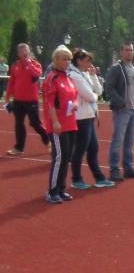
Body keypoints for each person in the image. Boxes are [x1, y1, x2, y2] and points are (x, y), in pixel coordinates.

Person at [68, 48, 114, 189]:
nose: (90, 64)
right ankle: (76, 179)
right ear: (79, 61)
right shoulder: (74, 76)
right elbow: (90, 96)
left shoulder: (85, 74)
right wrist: (95, 96)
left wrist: (93, 77)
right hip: (81, 117)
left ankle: (99, 178)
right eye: (87, 60)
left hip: (89, 115)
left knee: (93, 148)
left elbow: (99, 91)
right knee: (80, 149)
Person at [43, 46, 79, 203]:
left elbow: (75, 96)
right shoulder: (52, 78)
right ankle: (52, 191)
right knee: (59, 157)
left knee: (66, 158)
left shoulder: (69, 78)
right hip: (58, 126)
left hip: (70, 123)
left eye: (69, 59)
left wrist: (75, 104)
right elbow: (49, 103)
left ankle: (61, 188)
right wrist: (55, 122)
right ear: (56, 60)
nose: (67, 62)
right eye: (64, 59)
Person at [105, 40, 134, 181]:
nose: (129, 52)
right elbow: (109, 87)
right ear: (121, 52)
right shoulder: (116, 69)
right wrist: (120, 102)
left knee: (130, 141)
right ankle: (114, 169)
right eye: (127, 50)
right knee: (118, 140)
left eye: (131, 50)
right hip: (122, 110)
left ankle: (128, 168)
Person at [6, 43, 48, 156]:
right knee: (19, 123)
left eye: (26, 51)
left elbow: (37, 74)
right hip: (18, 100)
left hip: (31, 101)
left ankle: (48, 140)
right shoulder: (15, 65)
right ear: (18, 54)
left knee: (35, 123)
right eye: (21, 51)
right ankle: (19, 148)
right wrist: (8, 96)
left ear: (29, 52)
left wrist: (28, 63)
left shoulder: (36, 64)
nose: (24, 53)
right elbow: (12, 82)